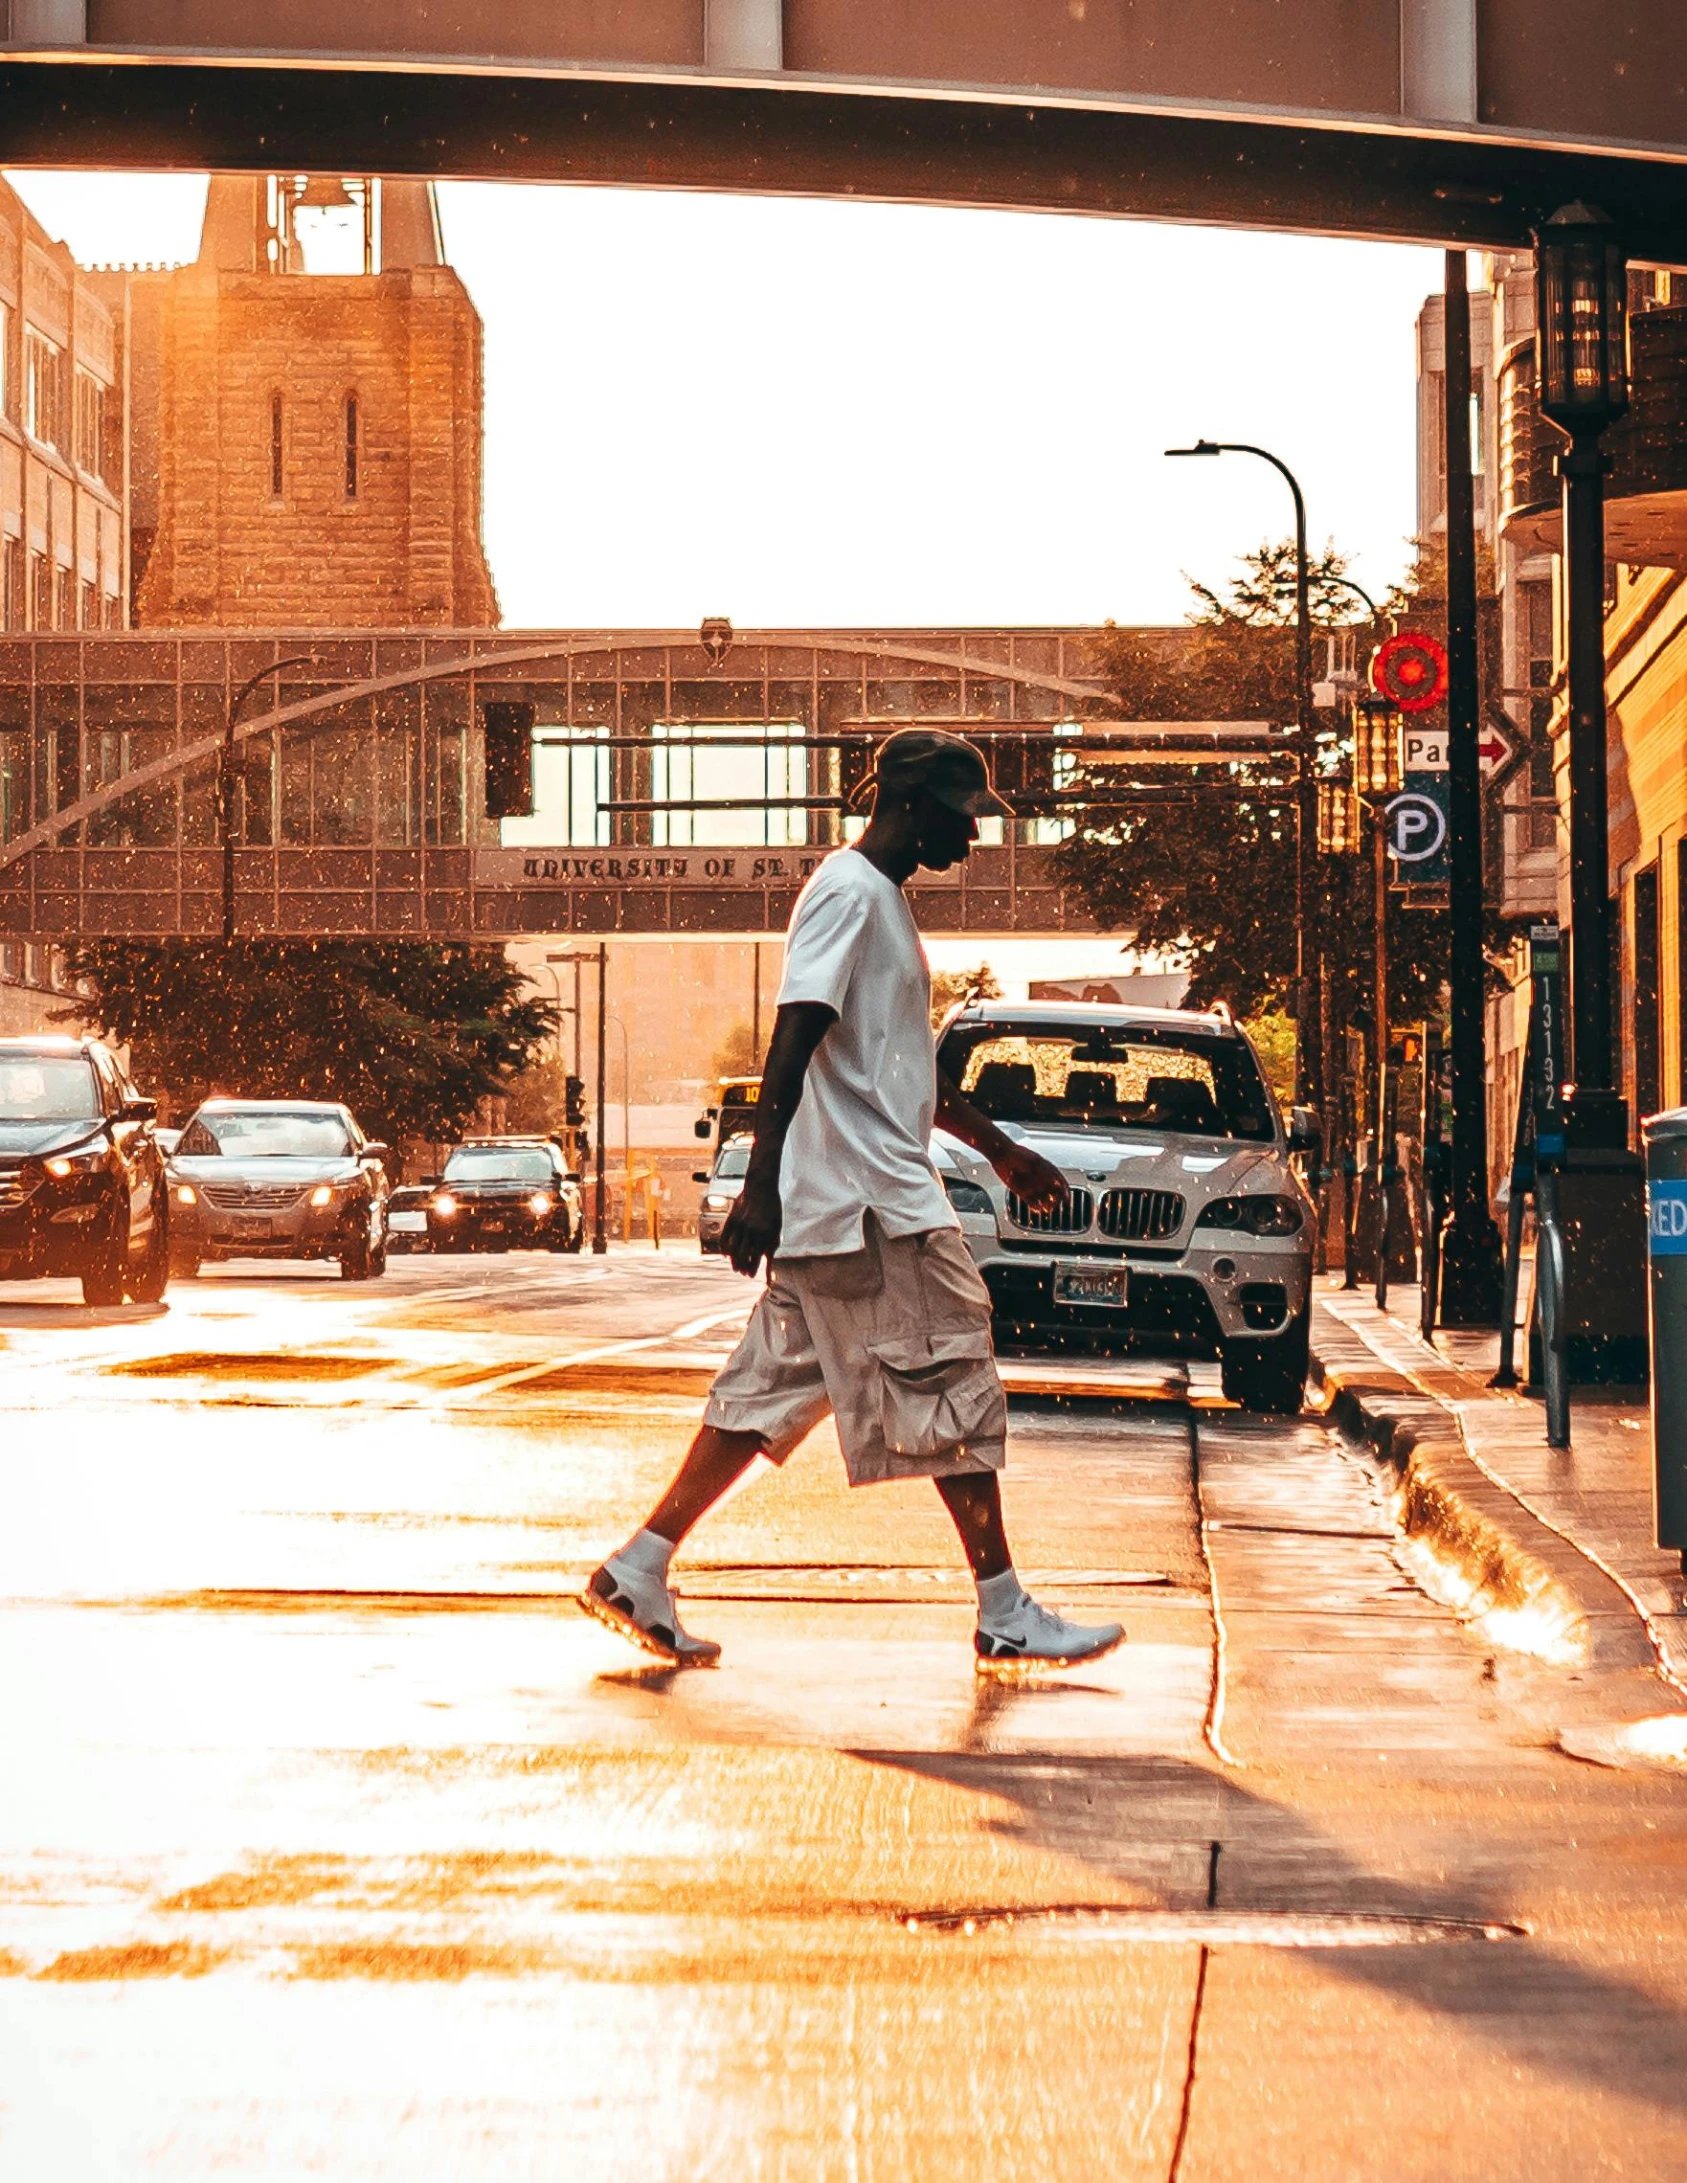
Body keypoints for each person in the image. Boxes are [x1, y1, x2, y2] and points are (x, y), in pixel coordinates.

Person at [583, 727, 1125, 1676]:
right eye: (962, 819)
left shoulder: (876, 900)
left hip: (847, 1202)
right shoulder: (848, 894)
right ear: (911, 804)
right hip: (873, 1205)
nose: (971, 840)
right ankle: (1003, 1609)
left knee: (767, 1391)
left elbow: (892, 1071)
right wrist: (757, 1183)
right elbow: (794, 1040)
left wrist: (1000, 1151)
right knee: (954, 1371)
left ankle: (641, 1564)